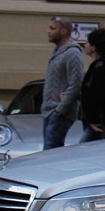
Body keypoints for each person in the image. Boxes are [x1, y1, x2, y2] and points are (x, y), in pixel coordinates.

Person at [42, 15, 84, 150]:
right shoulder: (56, 52)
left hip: (59, 113)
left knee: (50, 152)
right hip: (49, 112)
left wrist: (60, 110)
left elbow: (75, 84)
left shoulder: (72, 53)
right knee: (48, 152)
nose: (49, 31)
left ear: (64, 31)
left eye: (52, 28)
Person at [80, 27, 105, 141]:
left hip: (99, 123)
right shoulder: (101, 66)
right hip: (99, 121)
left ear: (94, 47)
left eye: (88, 42)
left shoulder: (100, 68)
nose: (85, 45)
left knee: (84, 152)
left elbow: (97, 95)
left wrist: (93, 120)